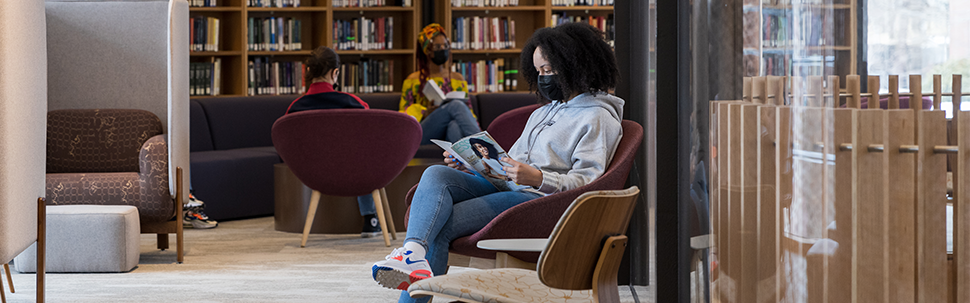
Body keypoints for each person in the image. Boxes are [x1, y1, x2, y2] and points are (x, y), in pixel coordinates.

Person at [371, 22, 625, 303]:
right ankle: (413, 254)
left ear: (575, 65)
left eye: (548, 71)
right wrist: (471, 163)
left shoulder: (598, 117)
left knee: (438, 225)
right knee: (437, 173)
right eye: (537, 72)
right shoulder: (544, 112)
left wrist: (539, 178)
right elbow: (510, 161)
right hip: (508, 187)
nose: (542, 79)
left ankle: (412, 266)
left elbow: (589, 184)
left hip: (537, 201)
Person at [285, 45, 383, 238]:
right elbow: (371, 136)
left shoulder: (294, 109)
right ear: (335, 73)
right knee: (364, 153)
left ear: (308, 73)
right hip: (354, 171)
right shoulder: (354, 103)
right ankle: (370, 219)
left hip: (311, 173)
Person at [400, 23, 481, 144]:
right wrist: (425, 112)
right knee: (455, 105)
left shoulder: (458, 79)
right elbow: (403, 117)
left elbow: (469, 112)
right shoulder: (413, 80)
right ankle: (484, 146)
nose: (443, 49)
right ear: (427, 50)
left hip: (448, 128)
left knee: (454, 125)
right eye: (438, 47)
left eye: (445, 46)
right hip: (424, 131)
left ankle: (462, 161)